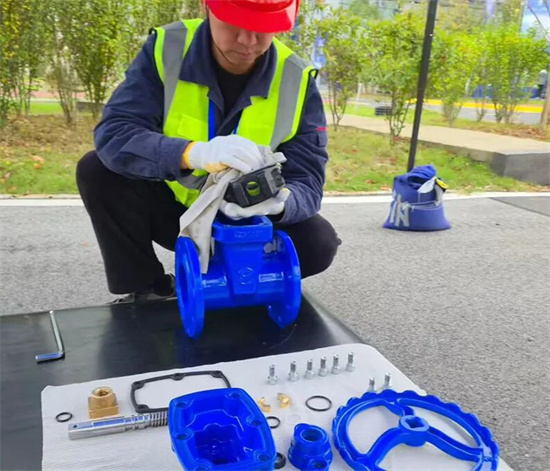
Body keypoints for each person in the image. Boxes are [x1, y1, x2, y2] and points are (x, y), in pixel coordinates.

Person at [76, 0, 340, 303]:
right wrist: (192, 154)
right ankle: (148, 289)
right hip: (175, 212)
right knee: (98, 170)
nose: (247, 40)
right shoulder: (168, 49)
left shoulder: (295, 79)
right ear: (208, 7)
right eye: (234, 22)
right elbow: (116, 133)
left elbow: (308, 179)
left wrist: (278, 204)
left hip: (245, 219)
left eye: (262, 27)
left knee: (318, 243)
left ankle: (244, 281)